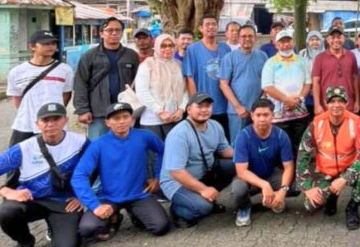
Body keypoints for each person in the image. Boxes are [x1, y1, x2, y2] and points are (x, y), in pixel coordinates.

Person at [0, 103, 88, 247]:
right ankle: (25, 241)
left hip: (65, 204)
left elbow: (95, 170)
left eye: (56, 119)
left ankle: (55, 228)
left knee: (68, 244)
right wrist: (6, 191)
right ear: (37, 124)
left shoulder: (81, 142)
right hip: (31, 200)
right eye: (45, 120)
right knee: (6, 212)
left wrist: (82, 197)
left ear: (66, 120)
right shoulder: (24, 148)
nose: (50, 124)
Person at [72, 103, 169, 241]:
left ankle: (136, 214)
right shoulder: (98, 145)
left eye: (125, 117)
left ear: (132, 119)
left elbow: (164, 151)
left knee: (161, 227)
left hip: (139, 195)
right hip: (109, 198)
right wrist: (95, 205)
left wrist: (158, 177)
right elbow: (79, 176)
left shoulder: (144, 136)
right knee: (87, 229)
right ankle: (114, 218)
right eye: (116, 118)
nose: (122, 121)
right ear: (107, 122)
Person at [296, 87, 360, 230]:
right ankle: (331, 198)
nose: (336, 105)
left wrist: (344, 179)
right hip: (325, 173)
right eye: (332, 101)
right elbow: (302, 157)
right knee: (310, 206)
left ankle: (352, 209)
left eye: (340, 101)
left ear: (347, 103)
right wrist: (306, 188)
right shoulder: (316, 124)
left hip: (348, 171)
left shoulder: (356, 122)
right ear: (326, 103)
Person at [160, 93, 235, 227]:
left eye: (208, 106)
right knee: (203, 208)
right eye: (199, 106)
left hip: (205, 173)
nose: (204, 110)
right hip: (177, 182)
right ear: (189, 109)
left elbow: (225, 151)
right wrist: (203, 189)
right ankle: (178, 210)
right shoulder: (179, 134)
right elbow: (176, 172)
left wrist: (247, 156)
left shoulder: (215, 126)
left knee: (235, 165)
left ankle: (204, 198)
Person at [232, 99, 295, 227]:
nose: (262, 119)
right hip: (249, 178)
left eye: (266, 115)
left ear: (272, 115)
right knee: (238, 190)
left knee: (294, 185)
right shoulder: (244, 136)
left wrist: (283, 191)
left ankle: (276, 200)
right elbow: (241, 171)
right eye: (258, 115)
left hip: (270, 174)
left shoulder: (281, 135)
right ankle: (244, 207)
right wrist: (264, 185)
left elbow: (289, 167)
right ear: (252, 116)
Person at [74, 17, 139, 139]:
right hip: (99, 112)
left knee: (125, 146)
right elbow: (80, 83)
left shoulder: (131, 55)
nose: (114, 33)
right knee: (98, 147)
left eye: (118, 30)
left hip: (124, 110)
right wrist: (82, 110)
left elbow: (138, 83)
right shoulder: (89, 56)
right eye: (110, 30)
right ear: (101, 33)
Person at [6, 30, 74, 148]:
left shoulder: (65, 70)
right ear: (32, 46)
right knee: (18, 161)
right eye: (45, 43)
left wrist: (54, 114)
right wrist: (29, 113)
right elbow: (17, 98)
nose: (51, 46)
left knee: (57, 160)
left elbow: (66, 95)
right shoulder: (17, 72)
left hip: (55, 126)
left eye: (53, 43)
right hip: (25, 125)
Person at [262, 29, 312, 155]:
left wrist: (299, 99)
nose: (286, 44)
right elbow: (267, 86)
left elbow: (308, 83)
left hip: (300, 111)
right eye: (282, 42)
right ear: (276, 44)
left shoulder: (302, 60)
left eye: (288, 41)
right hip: (279, 113)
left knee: (300, 143)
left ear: (293, 42)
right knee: (282, 144)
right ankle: (284, 171)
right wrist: (286, 99)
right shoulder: (270, 63)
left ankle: (299, 171)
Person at [183, 13, 232, 141]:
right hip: (203, 106)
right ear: (200, 28)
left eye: (214, 24)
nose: (211, 27)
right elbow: (190, 78)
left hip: (224, 105)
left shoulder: (226, 49)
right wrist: (195, 103)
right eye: (207, 24)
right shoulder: (193, 49)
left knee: (223, 140)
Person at [219, 23, 269, 144]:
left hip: (257, 110)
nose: (247, 39)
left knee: (258, 142)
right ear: (239, 38)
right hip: (236, 111)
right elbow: (223, 84)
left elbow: (267, 82)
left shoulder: (263, 56)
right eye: (244, 36)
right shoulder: (229, 58)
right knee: (238, 143)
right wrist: (237, 106)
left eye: (250, 36)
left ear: (255, 38)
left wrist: (260, 104)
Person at [135, 33, 188, 141]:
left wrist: (181, 109)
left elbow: (185, 90)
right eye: (163, 46)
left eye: (171, 45)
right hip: (152, 119)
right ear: (157, 47)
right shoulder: (147, 65)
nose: (167, 48)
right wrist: (160, 111)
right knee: (155, 155)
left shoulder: (178, 65)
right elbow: (142, 92)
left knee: (174, 151)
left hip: (175, 117)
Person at [312, 26, 360, 116]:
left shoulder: (351, 56)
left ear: (344, 38)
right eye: (333, 37)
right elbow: (316, 82)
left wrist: (357, 101)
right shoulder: (320, 58)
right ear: (327, 39)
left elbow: (355, 79)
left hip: (348, 104)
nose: (336, 40)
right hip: (327, 105)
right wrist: (317, 104)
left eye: (339, 37)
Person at [299, 30, 325, 117]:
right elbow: (300, 71)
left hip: (322, 91)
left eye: (317, 39)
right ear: (307, 41)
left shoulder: (326, 53)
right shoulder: (302, 54)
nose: (314, 42)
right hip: (307, 91)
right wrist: (309, 88)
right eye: (312, 40)